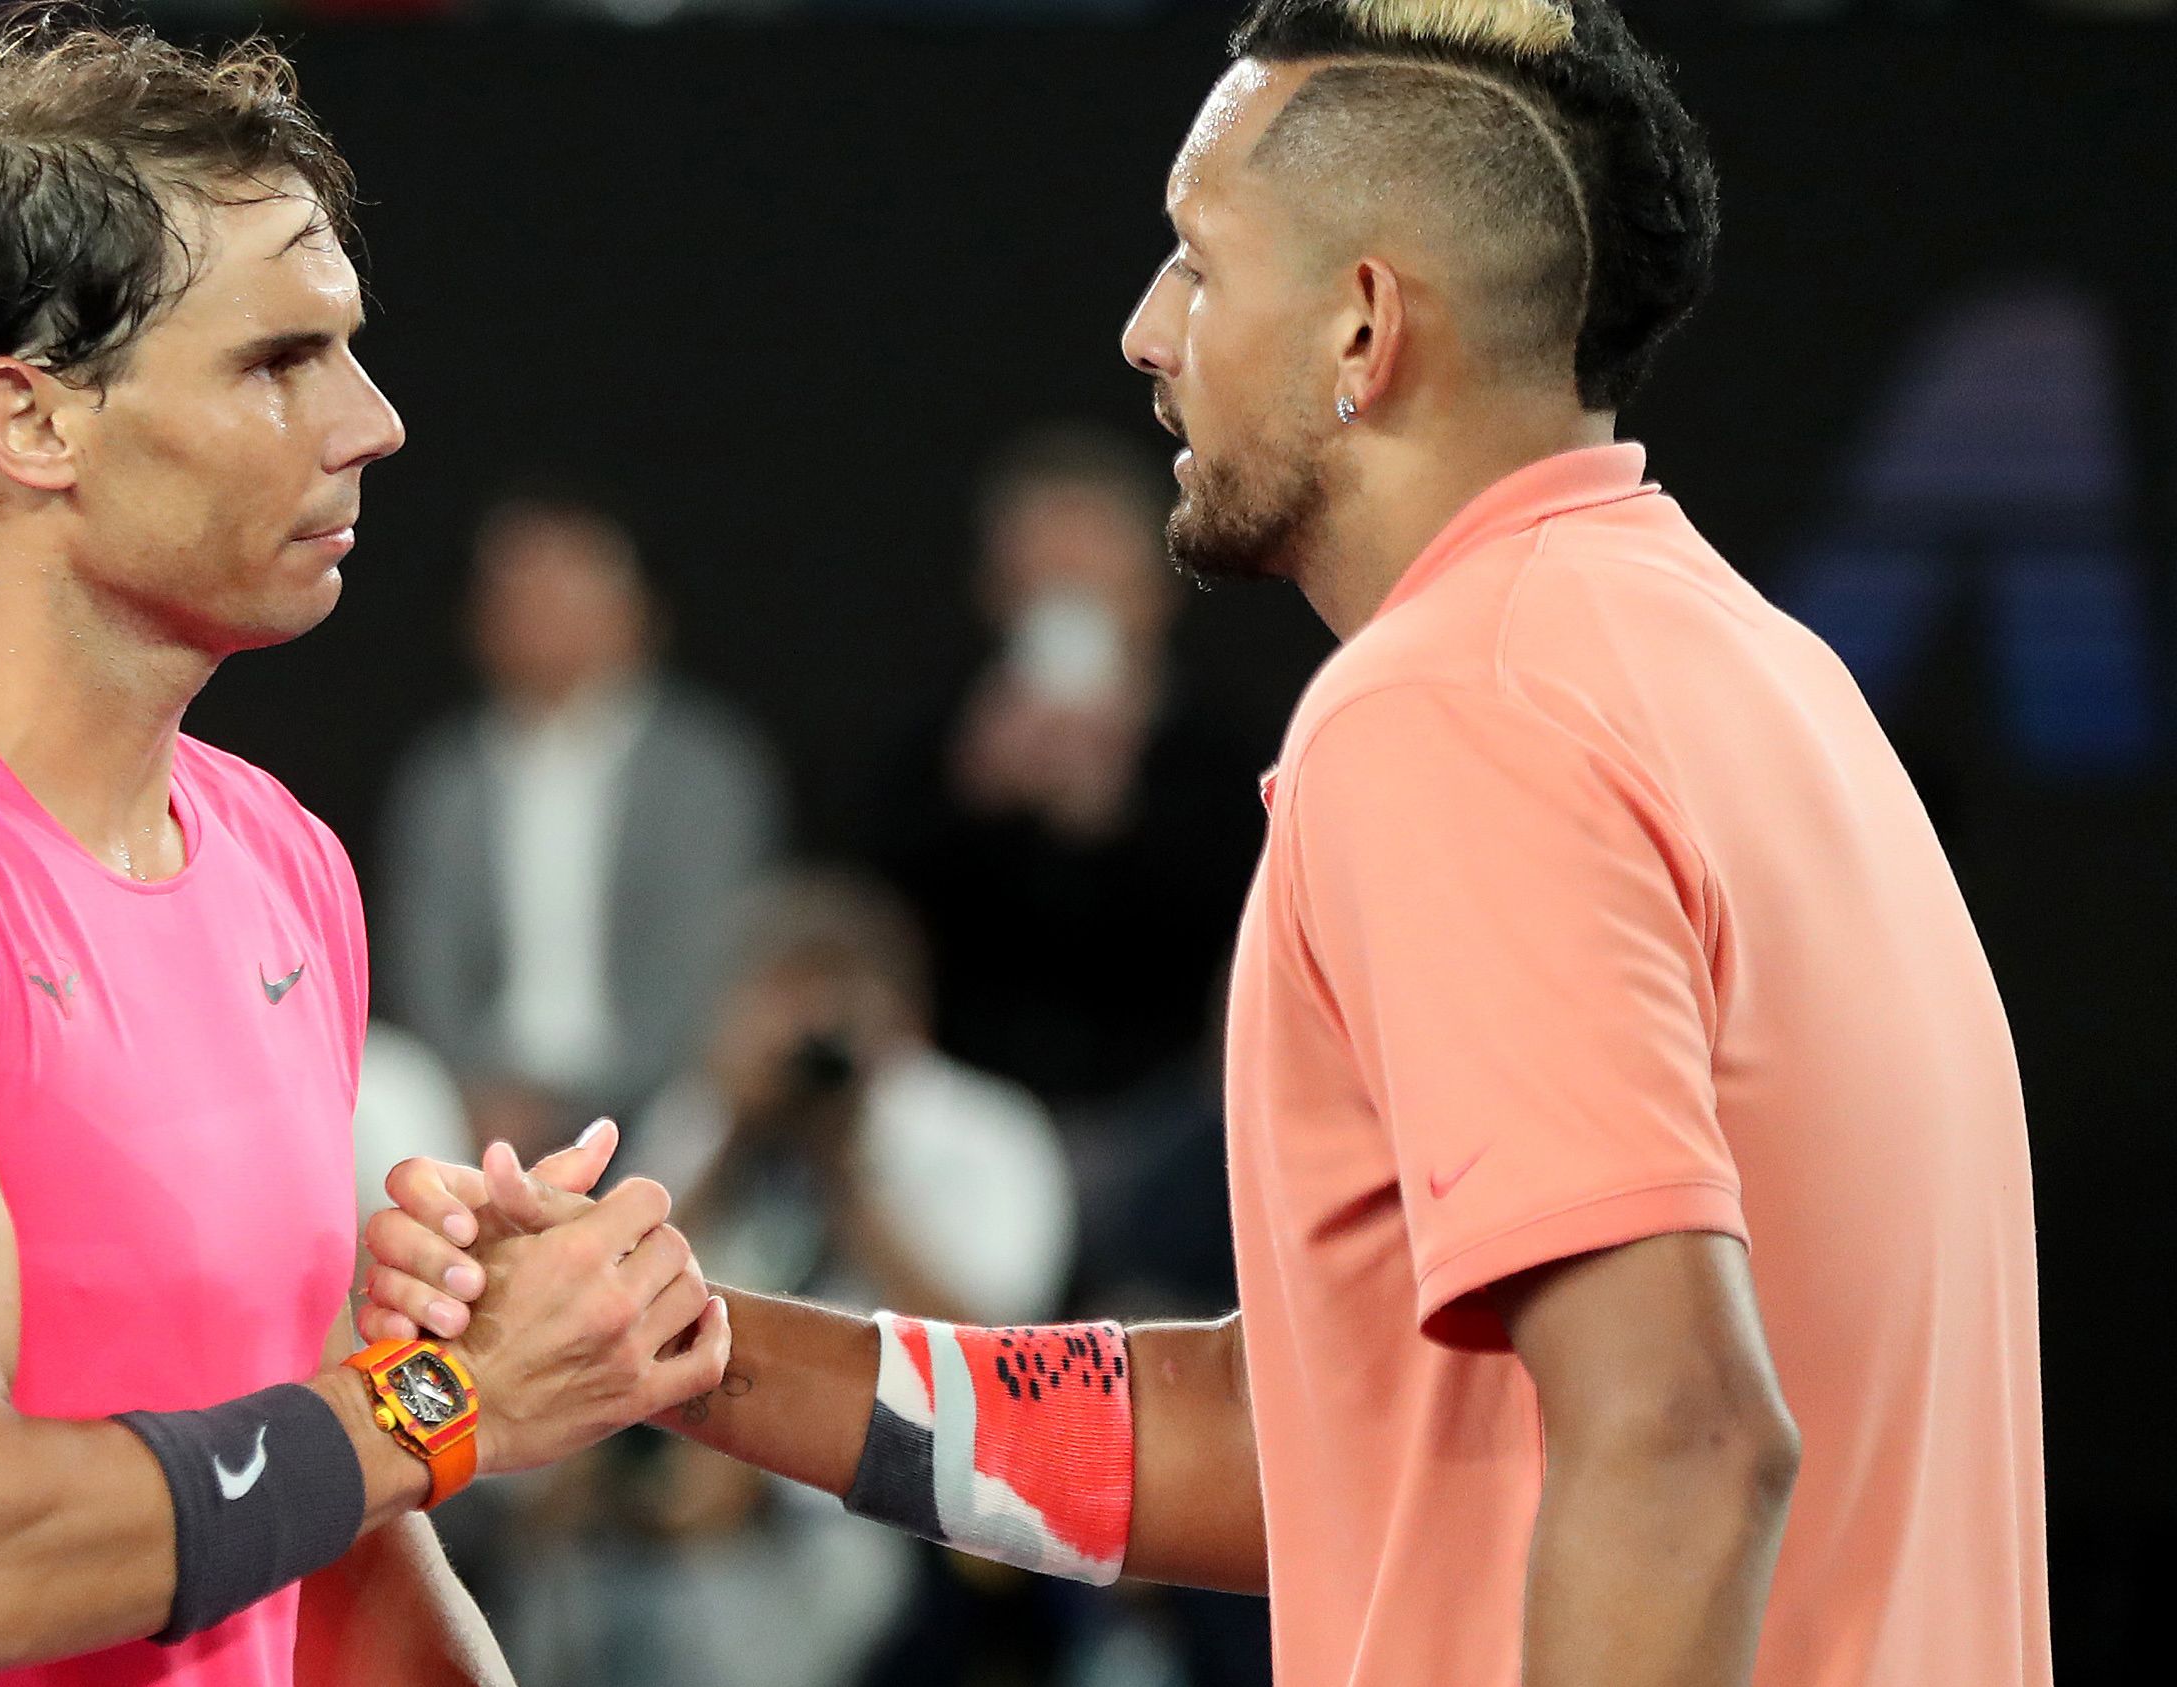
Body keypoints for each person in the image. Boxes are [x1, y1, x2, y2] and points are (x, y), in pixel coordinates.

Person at [358, 4, 2050, 1685]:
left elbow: (1682, 1429)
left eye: (1196, 260)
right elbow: (1292, 1441)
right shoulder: (1755, 669)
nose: (1144, 329)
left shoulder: (1453, 704)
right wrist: (692, 1350)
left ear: (1362, 327)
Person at [0, 14, 723, 1687]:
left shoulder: (281, 864)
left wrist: (423, 1404)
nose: (374, 421)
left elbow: (325, 1548)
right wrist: (446, 1399)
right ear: (32, 423)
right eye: (276, 362)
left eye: (347, 348)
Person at [489, 872, 1071, 1687]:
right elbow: (612, 1287)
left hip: (879, 1493)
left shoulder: (978, 1131)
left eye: (836, 997)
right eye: (784, 996)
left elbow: (1008, 1363)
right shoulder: (711, 1114)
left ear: (902, 1010)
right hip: (684, 1455)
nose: (808, 1030)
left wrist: (847, 1171)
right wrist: (733, 1138)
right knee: (548, 1525)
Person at [874, 425, 1265, 1110]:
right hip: (967, 1112)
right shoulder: (933, 753)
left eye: (1088, 578)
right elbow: (876, 922)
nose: (1063, 599)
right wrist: (976, 798)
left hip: (1170, 1112)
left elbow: (1240, 944)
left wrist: (1115, 819)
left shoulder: (1228, 762)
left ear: (1155, 588)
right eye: (1041, 579)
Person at [381, 489, 782, 1149]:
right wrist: (474, 1087)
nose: (537, 617)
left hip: (659, 1100)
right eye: (516, 597)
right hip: (474, 1104)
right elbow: (424, 960)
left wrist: (580, 1106)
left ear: (634, 613)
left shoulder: (704, 773)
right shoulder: (445, 777)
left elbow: (704, 960)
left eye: (563, 594)